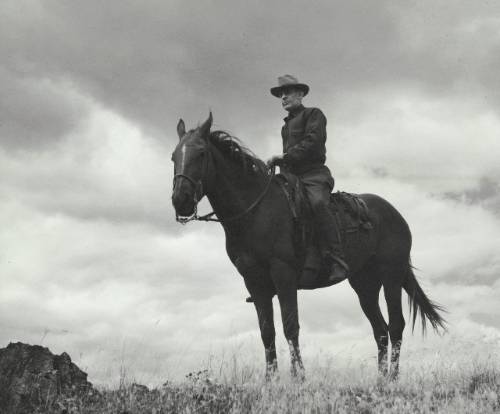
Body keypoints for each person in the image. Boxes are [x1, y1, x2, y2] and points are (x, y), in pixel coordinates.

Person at [267, 75, 348, 282]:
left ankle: (337, 259)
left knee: (318, 203)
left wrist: (284, 157)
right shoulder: (285, 126)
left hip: (314, 175)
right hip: (292, 177)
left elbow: (313, 142)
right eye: (281, 94)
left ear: (301, 94)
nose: (283, 97)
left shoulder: (314, 114)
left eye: (288, 92)